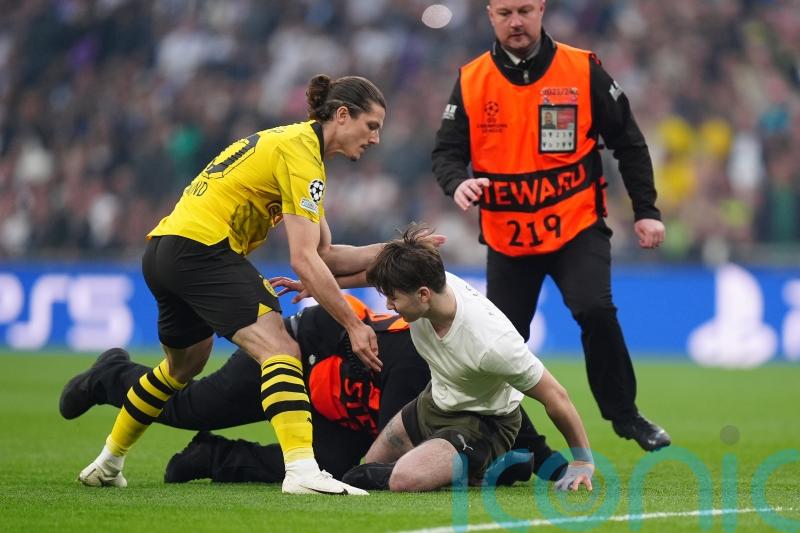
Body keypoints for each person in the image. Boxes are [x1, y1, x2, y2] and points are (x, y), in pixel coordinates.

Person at [77, 74, 399, 496]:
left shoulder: (294, 146)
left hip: (165, 251)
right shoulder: (302, 156)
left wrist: (398, 250)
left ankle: (107, 462)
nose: (375, 138)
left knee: (183, 367)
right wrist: (355, 326)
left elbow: (327, 255)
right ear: (342, 115)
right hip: (203, 249)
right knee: (281, 349)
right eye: (371, 125)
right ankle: (302, 469)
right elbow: (303, 260)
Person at [431, 0, 670, 452]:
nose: (516, 22)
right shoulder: (472, 79)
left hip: (575, 227)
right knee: (500, 342)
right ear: (490, 16)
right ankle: (520, 437)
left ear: (541, 10)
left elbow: (629, 142)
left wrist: (646, 210)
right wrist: (456, 183)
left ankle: (625, 415)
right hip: (509, 237)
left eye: (524, 10)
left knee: (595, 309)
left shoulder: (582, 69)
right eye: (505, 13)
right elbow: (445, 152)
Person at [60, 296, 567, 484]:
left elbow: (507, 409)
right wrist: (300, 347)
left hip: (336, 411)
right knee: (190, 406)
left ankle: (214, 459)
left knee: (324, 473)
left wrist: (551, 465)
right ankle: (112, 375)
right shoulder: (420, 360)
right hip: (295, 362)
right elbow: (390, 451)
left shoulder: (467, 372)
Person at [342, 226, 594, 492]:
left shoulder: (492, 343)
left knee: (403, 479)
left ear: (423, 295)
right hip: (434, 402)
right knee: (371, 463)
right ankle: (488, 470)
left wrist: (582, 461)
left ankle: (486, 464)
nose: (389, 306)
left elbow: (556, 395)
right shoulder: (423, 282)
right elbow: (375, 275)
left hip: (483, 421)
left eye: (394, 299)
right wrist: (321, 283)